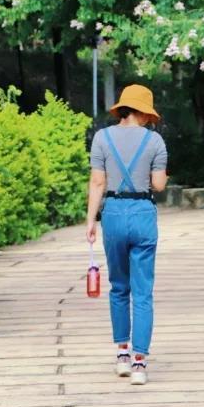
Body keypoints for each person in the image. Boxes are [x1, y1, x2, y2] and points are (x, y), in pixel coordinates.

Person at [85, 84, 168, 385]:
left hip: (114, 215)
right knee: (143, 292)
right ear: (143, 112)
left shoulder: (102, 138)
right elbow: (158, 185)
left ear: (123, 109)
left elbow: (97, 182)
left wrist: (91, 220)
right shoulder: (155, 141)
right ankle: (140, 364)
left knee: (119, 287)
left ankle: (122, 355)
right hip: (143, 214)